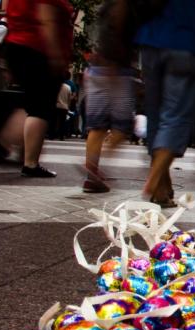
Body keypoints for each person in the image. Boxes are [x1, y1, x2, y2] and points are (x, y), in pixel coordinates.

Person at [136, 0, 195, 206]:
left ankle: (161, 188)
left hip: (150, 40)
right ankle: (154, 178)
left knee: (155, 117)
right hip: (184, 41)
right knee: (176, 116)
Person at [0, 0, 74, 177]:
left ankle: (8, 141)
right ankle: (30, 162)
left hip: (17, 45)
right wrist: (56, 54)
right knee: (41, 107)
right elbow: (46, 18)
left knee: (30, 102)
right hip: (37, 48)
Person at [80, 0, 139, 193]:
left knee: (97, 126)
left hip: (97, 67)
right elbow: (117, 27)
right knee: (123, 127)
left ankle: (91, 176)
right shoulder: (123, 5)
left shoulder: (106, 5)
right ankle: (91, 169)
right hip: (117, 69)